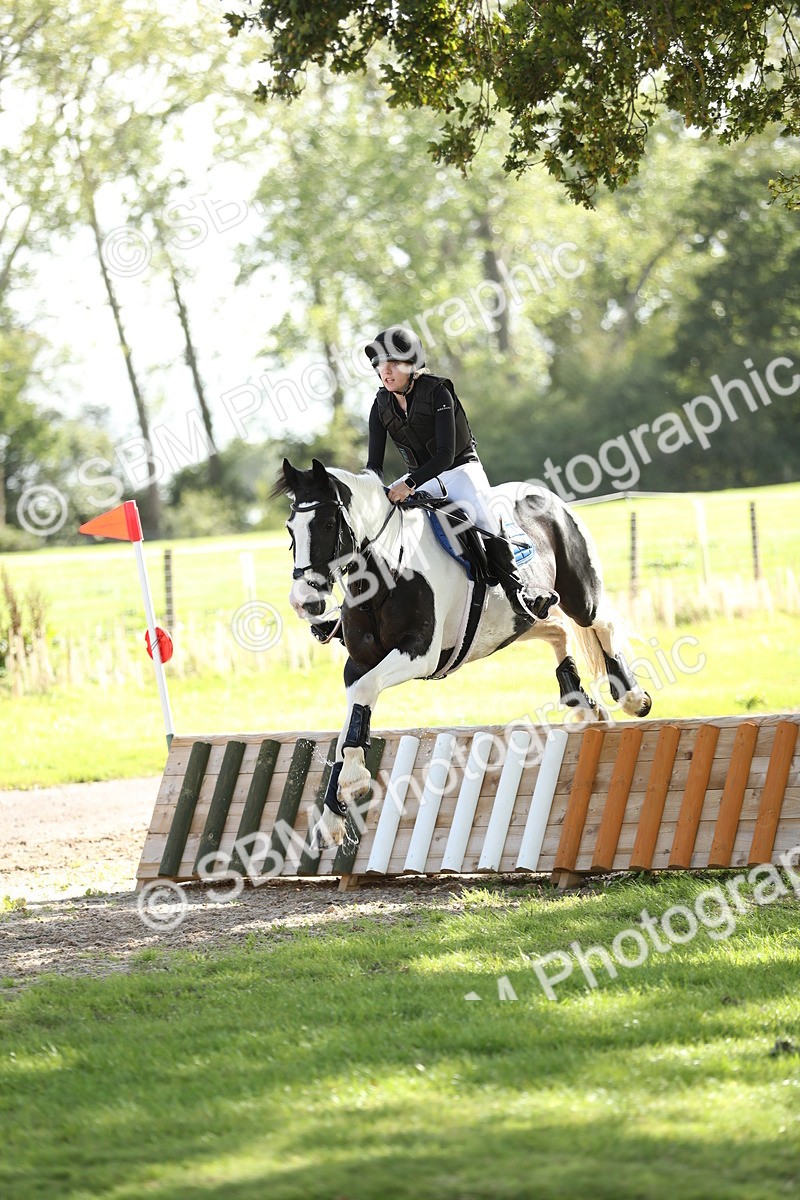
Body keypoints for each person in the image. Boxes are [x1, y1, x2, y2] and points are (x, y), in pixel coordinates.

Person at [362, 325, 556, 623]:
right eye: (379, 365)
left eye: (392, 364)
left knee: (484, 519)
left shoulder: (439, 391)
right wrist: (371, 493)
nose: (384, 372)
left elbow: (445, 455)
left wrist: (409, 484)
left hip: (460, 471)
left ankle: (522, 592)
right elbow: (374, 464)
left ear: (412, 365)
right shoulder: (380, 405)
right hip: (419, 480)